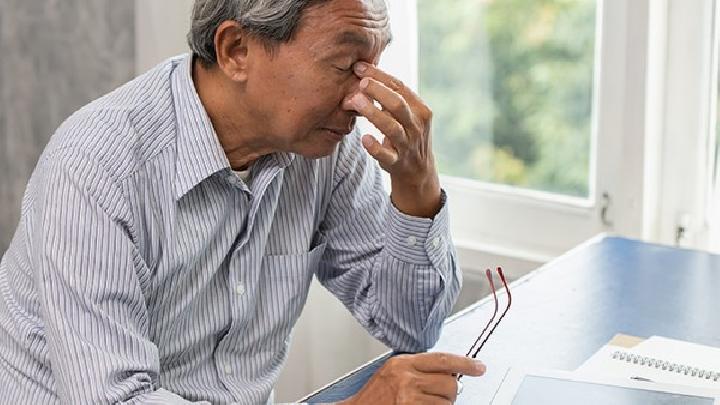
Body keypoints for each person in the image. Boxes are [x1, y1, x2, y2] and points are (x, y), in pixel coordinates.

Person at [0, 0, 486, 403]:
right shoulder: (94, 169)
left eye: (373, 67)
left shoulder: (322, 149)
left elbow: (411, 325)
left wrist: (416, 187)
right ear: (236, 50)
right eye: (345, 66)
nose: (363, 99)